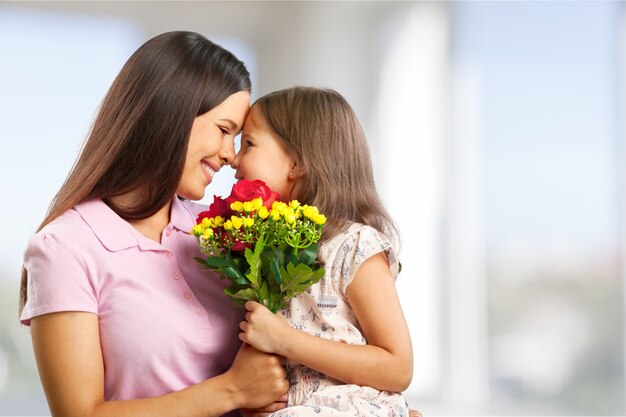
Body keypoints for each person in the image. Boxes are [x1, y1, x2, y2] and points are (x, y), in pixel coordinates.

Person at [18, 31, 288, 417]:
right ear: (172, 113)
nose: (231, 156)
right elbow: (78, 413)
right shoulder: (65, 247)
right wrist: (229, 392)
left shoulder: (214, 231)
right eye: (224, 130)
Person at [230, 87, 414, 416]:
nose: (234, 159)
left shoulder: (355, 245)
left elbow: (398, 368)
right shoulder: (264, 251)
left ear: (296, 163)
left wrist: (284, 341)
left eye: (248, 143)